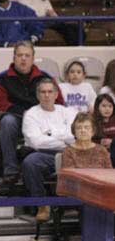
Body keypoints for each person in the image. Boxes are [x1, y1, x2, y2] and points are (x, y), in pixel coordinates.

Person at [0, 41, 64, 183]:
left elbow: (59, 101)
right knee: (7, 121)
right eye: (20, 55)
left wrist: (39, 114)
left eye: (27, 55)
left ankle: (54, 167)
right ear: (14, 58)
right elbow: (0, 104)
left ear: (32, 58)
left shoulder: (45, 77)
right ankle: (11, 171)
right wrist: (26, 114)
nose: (23, 59)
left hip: (43, 119)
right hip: (17, 119)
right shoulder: (1, 78)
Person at [22, 78, 74, 222]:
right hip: (43, 154)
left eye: (50, 91)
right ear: (38, 95)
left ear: (56, 94)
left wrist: (50, 134)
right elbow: (36, 142)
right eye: (43, 92)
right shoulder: (31, 114)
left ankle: (75, 204)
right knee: (30, 162)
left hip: (69, 153)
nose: (46, 95)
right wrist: (63, 139)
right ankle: (42, 205)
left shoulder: (68, 112)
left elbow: (75, 137)